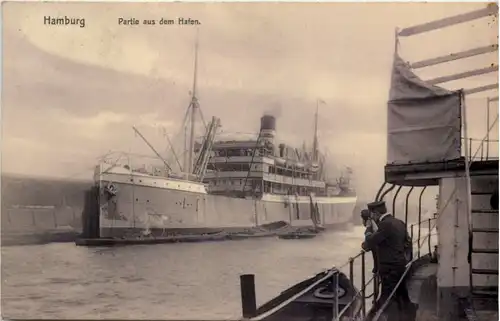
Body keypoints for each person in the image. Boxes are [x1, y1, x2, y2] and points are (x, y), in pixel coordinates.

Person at [361, 201, 416, 321]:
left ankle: (380, 317)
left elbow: (369, 243)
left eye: (372, 215)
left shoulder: (385, 225)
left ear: (375, 213)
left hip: (389, 268)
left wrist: (369, 228)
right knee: (401, 293)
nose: (372, 218)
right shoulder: (399, 222)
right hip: (401, 265)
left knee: (387, 296)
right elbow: (407, 242)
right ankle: (410, 315)